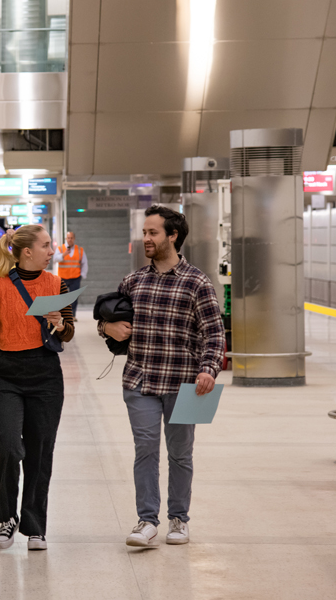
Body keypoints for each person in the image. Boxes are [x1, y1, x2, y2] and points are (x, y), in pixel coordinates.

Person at [99, 206, 225, 547]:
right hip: (140, 381)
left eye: (153, 233)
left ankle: (179, 519)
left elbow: (214, 333)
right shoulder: (133, 281)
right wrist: (107, 326)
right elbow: (109, 321)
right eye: (144, 232)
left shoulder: (197, 282)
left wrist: (209, 369)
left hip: (187, 385)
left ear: (173, 236)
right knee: (146, 449)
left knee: (181, 454)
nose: (146, 239)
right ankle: (147, 520)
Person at [0, 225, 75, 552]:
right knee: (6, 444)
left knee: (40, 452)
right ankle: (7, 517)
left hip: (46, 375)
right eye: (46, 246)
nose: (52, 250)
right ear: (27, 251)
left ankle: (34, 526)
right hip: (8, 374)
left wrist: (59, 323)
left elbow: (68, 334)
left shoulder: (57, 284)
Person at [53, 231, 87, 319]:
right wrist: (63, 255)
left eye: (71, 238)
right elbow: (55, 259)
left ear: (74, 239)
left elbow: (84, 263)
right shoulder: (60, 249)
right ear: (66, 239)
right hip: (63, 277)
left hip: (75, 277)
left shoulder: (79, 250)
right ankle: (62, 315)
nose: (70, 240)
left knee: (74, 297)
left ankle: (73, 315)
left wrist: (82, 275)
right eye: (68, 238)